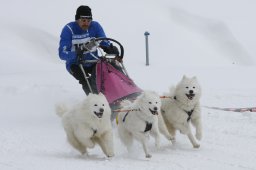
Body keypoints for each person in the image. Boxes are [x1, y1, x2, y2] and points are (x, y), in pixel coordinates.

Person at [58, 5, 120, 95]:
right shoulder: (69, 29)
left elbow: (103, 41)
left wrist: (109, 48)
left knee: (108, 74)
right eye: (83, 20)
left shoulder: (95, 26)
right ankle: (94, 102)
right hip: (75, 64)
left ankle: (118, 95)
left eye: (88, 20)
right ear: (77, 19)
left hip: (93, 61)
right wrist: (75, 53)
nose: (86, 23)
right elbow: (62, 54)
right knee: (85, 80)